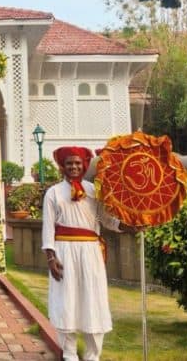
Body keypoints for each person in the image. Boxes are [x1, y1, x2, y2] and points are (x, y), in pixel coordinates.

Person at [41, 146, 139, 361]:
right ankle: (69, 354)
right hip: (64, 252)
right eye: (69, 163)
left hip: (90, 253)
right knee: (65, 300)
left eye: (77, 163)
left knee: (93, 300)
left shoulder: (95, 191)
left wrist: (128, 226)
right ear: (63, 166)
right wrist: (50, 257)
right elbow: (48, 227)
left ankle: (93, 356)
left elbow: (106, 219)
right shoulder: (53, 193)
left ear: (84, 165)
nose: (74, 167)